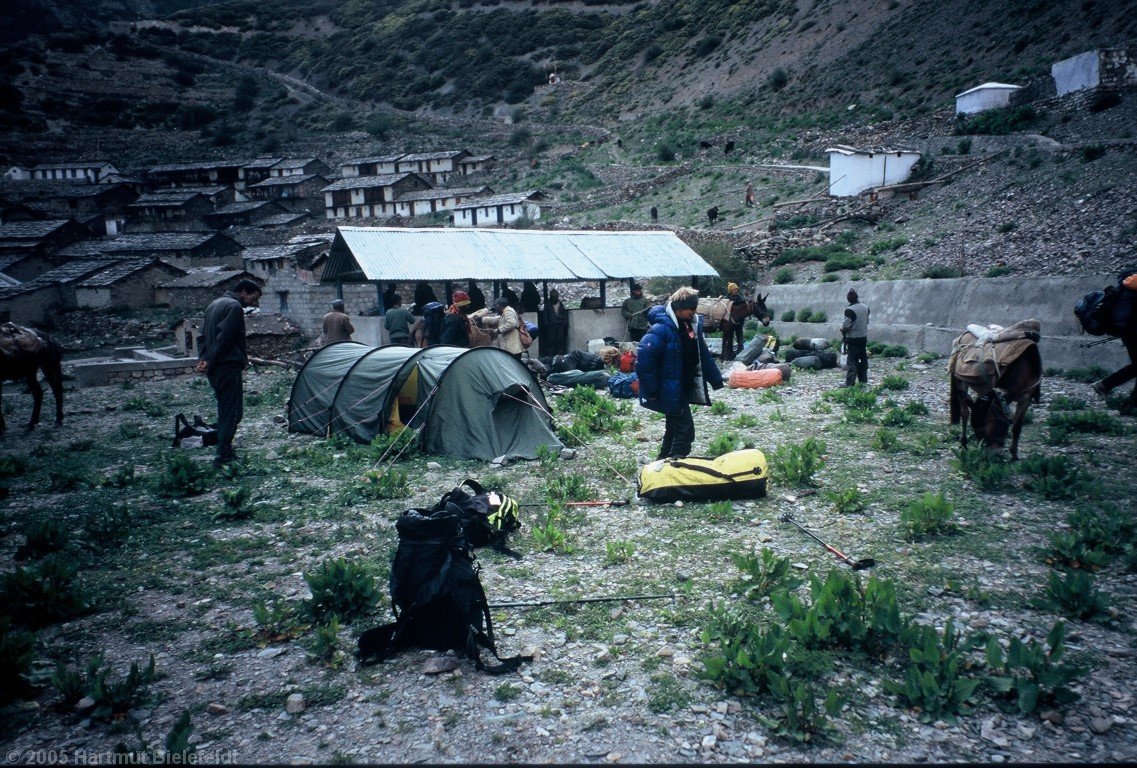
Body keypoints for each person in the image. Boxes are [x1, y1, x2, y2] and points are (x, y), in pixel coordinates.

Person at [636, 286, 724, 460]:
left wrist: (715, 379)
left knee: (673, 428)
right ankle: (674, 464)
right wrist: (652, 390)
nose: (694, 312)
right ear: (678, 308)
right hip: (667, 389)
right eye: (691, 308)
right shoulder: (662, 329)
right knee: (685, 431)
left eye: (695, 308)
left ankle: (661, 463)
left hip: (681, 386)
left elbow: (702, 354)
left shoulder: (690, 325)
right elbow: (645, 362)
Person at [196, 279, 262, 468]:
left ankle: (224, 448)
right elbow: (223, 338)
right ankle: (223, 453)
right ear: (242, 291)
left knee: (225, 408)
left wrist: (203, 359)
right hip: (227, 365)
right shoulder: (234, 307)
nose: (253, 303)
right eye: (252, 297)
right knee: (233, 411)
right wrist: (209, 359)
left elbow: (201, 336)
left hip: (215, 367)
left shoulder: (213, 304)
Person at [840, 288, 870, 387]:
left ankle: (850, 383)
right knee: (863, 359)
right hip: (863, 338)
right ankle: (863, 381)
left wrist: (842, 329)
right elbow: (867, 321)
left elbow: (846, 326)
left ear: (849, 299)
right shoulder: (865, 307)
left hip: (853, 339)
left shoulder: (849, 310)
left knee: (852, 361)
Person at [722, 282, 746, 361]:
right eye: (734, 289)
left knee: (740, 337)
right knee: (730, 337)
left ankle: (741, 354)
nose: (736, 290)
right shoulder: (726, 299)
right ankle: (729, 355)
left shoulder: (740, 298)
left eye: (736, 289)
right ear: (730, 290)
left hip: (739, 322)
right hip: (729, 322)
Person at [542, 289, 569, 356]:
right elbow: (545, 315)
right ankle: (550, 354)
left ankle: (559, 354)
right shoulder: (547, 305)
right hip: (551, 325)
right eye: (553, 296)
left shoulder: (561, 304)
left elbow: (564, 314)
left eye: (555, 296)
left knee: (559, 339)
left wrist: (565, 322)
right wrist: (546, 324)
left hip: (560, 324)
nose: (554, 298)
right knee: (551, 340)